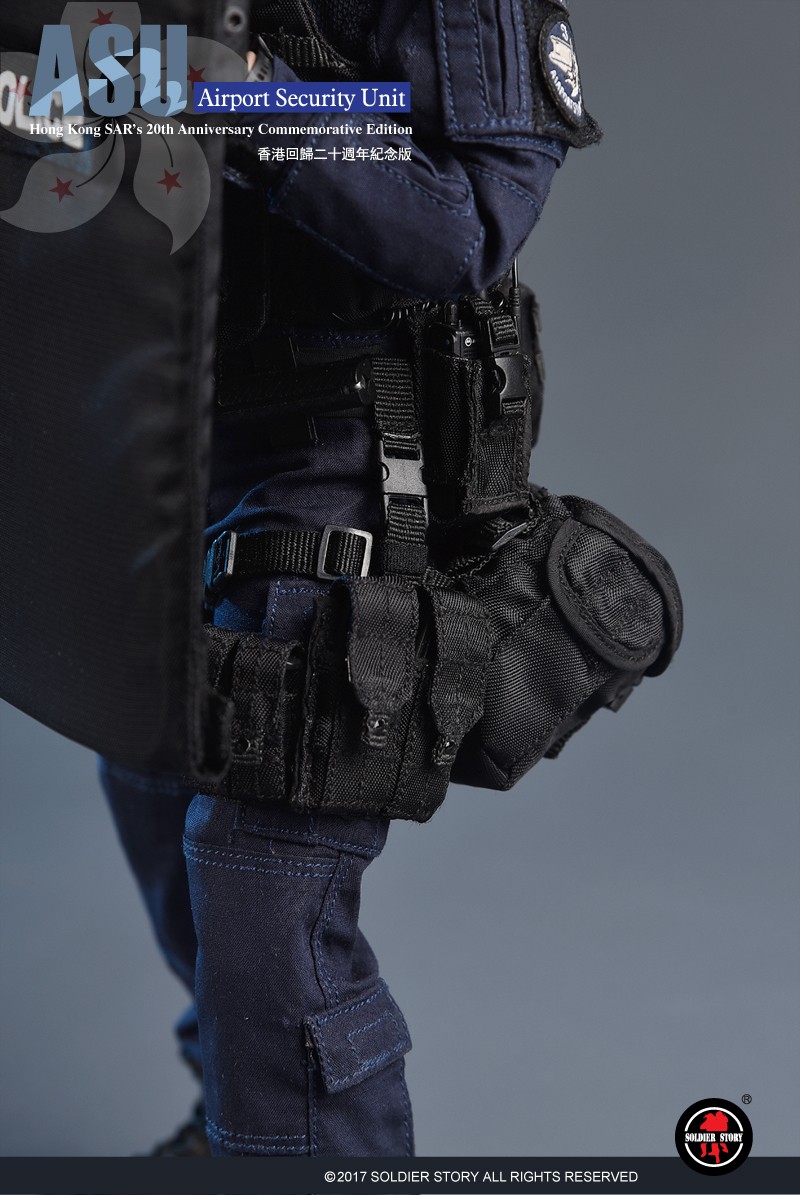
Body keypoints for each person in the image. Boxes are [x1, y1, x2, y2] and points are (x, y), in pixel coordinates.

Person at [101, 0, 603, 1157]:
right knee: (158, 810)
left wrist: (249, 95)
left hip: (338, 450)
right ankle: (236, 1125)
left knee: (260, 876)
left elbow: (461, 229)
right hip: (172, 427)